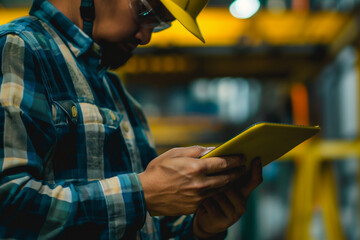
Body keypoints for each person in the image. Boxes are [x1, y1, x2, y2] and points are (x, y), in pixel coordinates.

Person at [0, 0, 263, 239]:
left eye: (159, 24)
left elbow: (148, 228)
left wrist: (201, 228)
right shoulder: (17, 49)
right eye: (145, 10)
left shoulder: (121, 99)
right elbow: (8, 202)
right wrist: (142, 194)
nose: (145, 36)